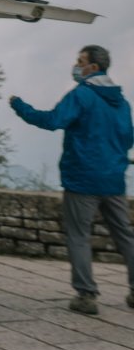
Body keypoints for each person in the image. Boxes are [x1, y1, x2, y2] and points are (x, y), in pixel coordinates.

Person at [9, 45, 134, 314]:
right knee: (125, 235)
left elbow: (53, 120)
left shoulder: (82, 95)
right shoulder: (122, 103)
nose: (76, 66)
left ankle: (86, 296)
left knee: (79, 236)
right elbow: (128, 139)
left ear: (93, 68)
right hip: (114, 180)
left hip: (82, 179)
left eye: (80, 61)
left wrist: (20, 106)